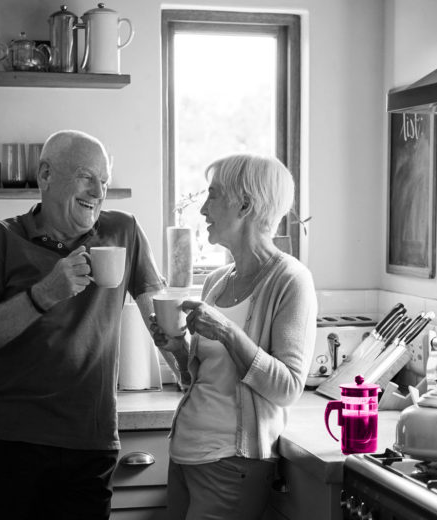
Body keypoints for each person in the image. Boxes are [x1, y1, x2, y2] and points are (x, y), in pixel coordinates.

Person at [0, 129, 166, 520]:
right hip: (7, 442)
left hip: (90, 443)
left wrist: (181, 340)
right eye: (87, 177)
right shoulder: (0, 239)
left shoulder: (124, 232)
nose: (98, 192)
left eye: (104, 182)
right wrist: (44, 294)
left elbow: (159, 314)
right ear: (46, 174)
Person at [152, 153, 317, 520]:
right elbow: (198, 381)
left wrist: (228, 332)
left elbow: (288, 387)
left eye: (213, 196)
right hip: (185, 454)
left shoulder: (290, 280)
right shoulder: (216, 281)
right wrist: (176, 348)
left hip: (231, 464)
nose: (203, 209)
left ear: (244, 204)